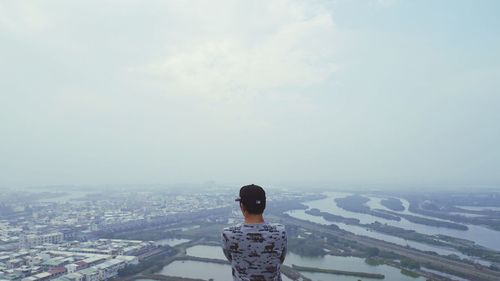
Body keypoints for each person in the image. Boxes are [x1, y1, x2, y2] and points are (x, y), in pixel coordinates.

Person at [222, 184, 287, 281]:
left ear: (242, 206)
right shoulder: (280, 232)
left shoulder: (229, 234)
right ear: (264, 206)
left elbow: (231, 259)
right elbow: (280, 259)